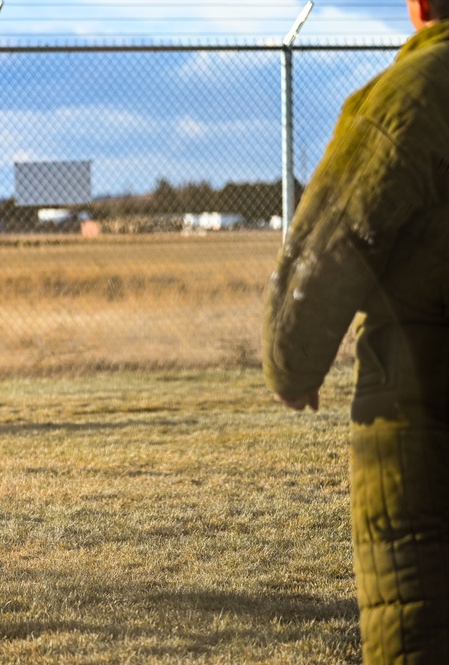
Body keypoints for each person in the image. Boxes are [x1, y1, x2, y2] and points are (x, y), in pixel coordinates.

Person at [263, 0, 449, 661]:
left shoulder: (409, 101)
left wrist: (294, 363)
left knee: (418, 616)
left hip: (422, 418)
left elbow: (328, 248)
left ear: (421, 5)